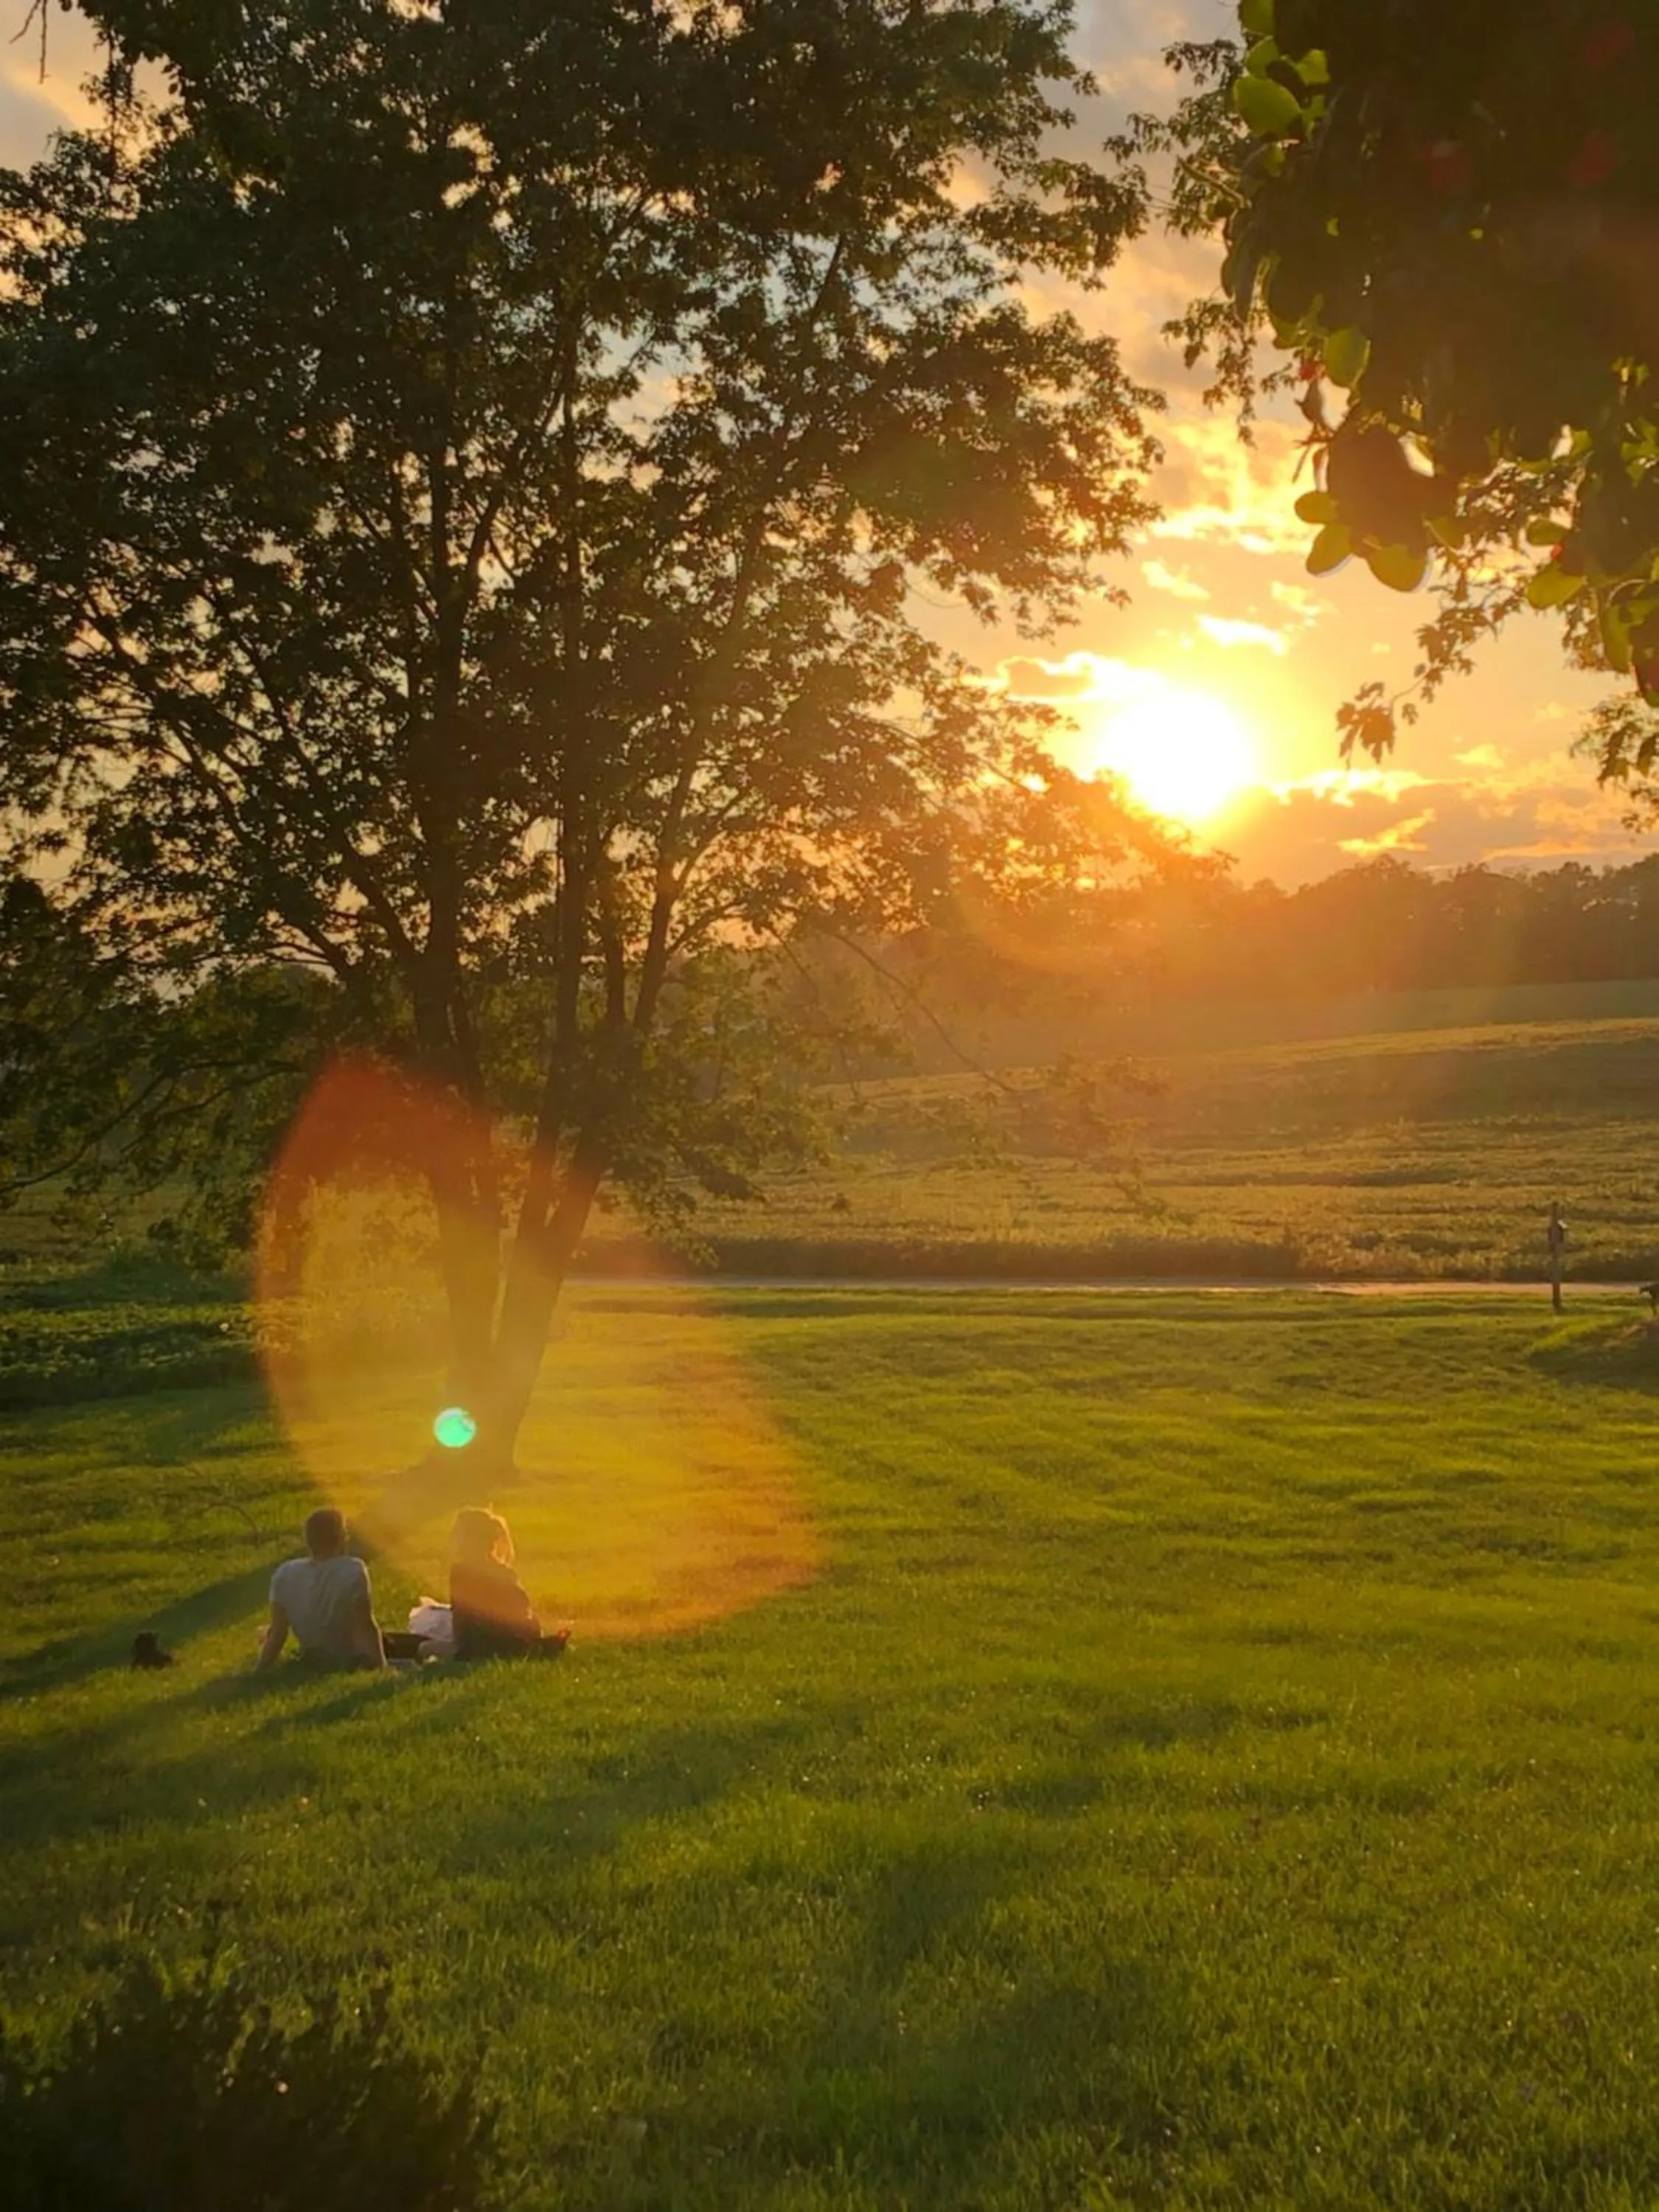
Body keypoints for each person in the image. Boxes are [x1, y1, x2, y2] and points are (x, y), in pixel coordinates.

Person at [256, 1507, 387, 1671]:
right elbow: (365, 1626)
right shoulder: (353, 1569)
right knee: (401, 1642)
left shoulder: (285, 1573)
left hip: (313, 1655)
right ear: (341, 1539)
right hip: (348, 1655)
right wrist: (382, 1667)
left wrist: (260, 1668)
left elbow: (278, 1633)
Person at [448, 1507, 568, 1661]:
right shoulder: (505, 1572)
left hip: (484, 1649)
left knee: (422, 1646)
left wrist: (460, 1655)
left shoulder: (461, 1572)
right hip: (517, 1644)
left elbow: (461, 1625)